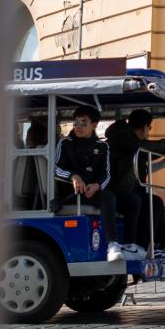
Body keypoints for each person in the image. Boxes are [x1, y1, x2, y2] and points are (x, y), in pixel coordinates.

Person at [105, 108, 165, 258]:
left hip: (129, 189)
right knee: (148, 202)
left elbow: (146, 161)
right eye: (149, 128)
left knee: (155, 202)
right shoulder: (124, 138)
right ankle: (144, 246)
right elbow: (142, 149)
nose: (149, 132)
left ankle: (164, 245)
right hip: (117, 190)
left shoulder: (130, 141)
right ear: (144, 127)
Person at [53, 106, 122, 256]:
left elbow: (107, 174)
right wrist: (73, 176)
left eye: (84, 123)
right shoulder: (65, 143)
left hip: (92, 192)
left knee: (132, 201)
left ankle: (133, 245)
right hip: (71, 194)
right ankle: (112, 244)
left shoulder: (102, 146)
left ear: (94, 125)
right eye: (76, 123)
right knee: (108, 197)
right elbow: (55, 169)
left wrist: (97, 186)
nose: (78, 127)